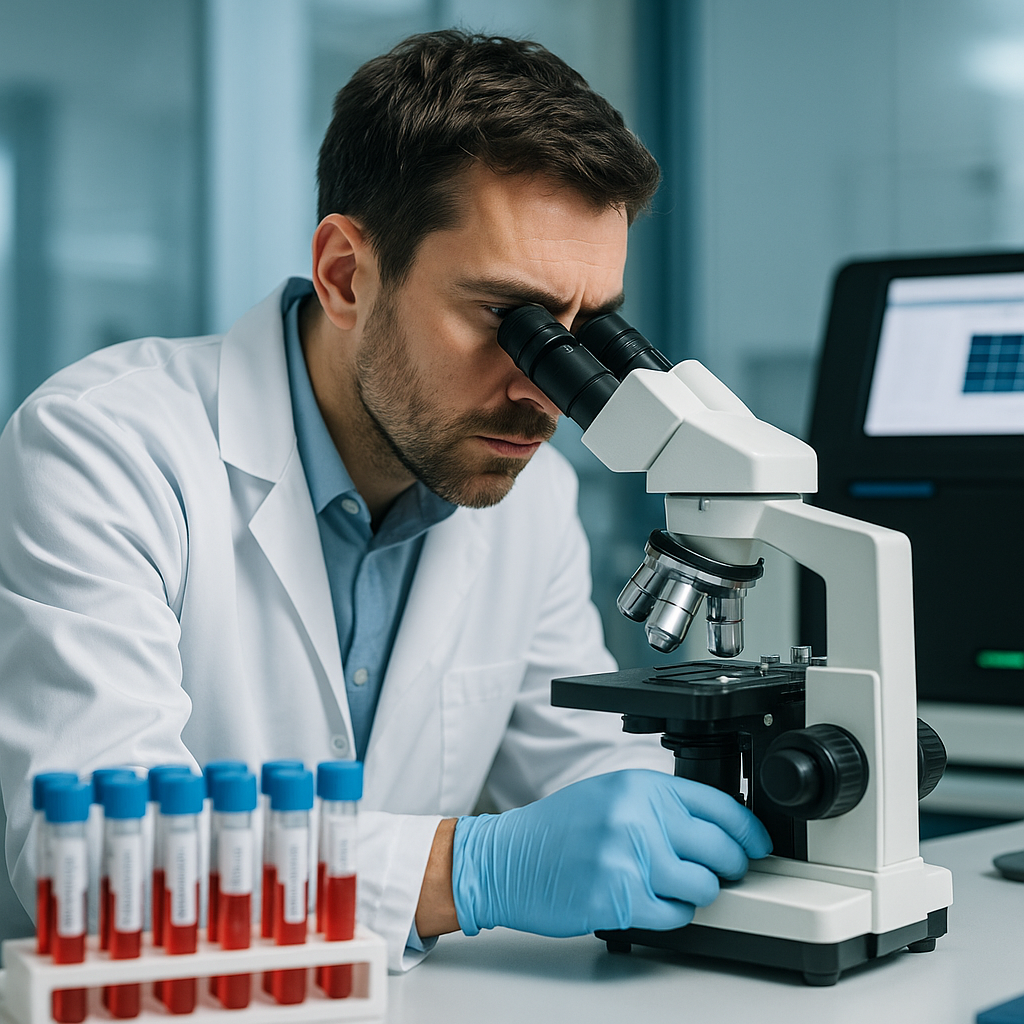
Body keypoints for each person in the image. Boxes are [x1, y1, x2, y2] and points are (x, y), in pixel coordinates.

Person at [0, 30, 770, 969]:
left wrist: (705, 825)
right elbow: (92, 866)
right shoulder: (105, 445)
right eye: (508, 320)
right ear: (346, 275)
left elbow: (579, 770)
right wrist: (467, 870)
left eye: (581, 331)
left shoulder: (532, 496)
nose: (545, 390)